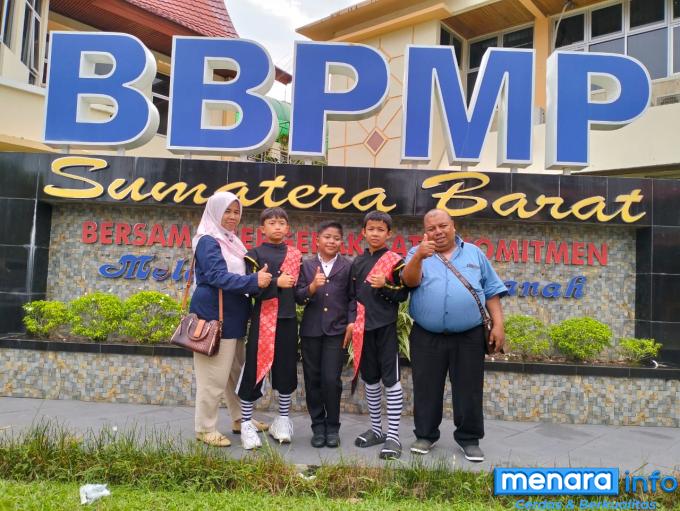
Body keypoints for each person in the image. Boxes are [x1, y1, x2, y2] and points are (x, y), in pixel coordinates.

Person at [401, 208, 507, 462]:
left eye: (442, 226)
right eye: (431, 228)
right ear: (425, 232)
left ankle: (469, 439)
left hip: (468, 335)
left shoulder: (474, 253)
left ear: (453, 226)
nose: (437, 232)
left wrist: (499, 325)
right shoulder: (417, 253)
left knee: (469, 388)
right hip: (427, 334)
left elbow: (491, 291)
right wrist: (418, 258)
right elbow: (408, 281)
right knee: (426, 388)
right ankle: (425, 435)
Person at [190, 192, 271, 447]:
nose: (233, 216)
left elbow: (242, 274)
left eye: (236, 212)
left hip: (234, 317)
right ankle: (205, 428)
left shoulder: (233, 241)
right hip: (215, 317)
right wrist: (252, 281)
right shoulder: (208, 241)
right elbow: (215, 276)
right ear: (215, 212)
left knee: (234, 374)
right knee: (212, 377)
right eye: (227, 211)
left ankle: (240, 419)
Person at [237, 207, 302, 450]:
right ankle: (245, 423)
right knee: (254, 370)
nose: (277, 226)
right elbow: (250, 288)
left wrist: (313, 289)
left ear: (288, 228)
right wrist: (277, 282)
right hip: (263, 320)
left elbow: (299, 292)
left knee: (285, 371)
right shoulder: (253, 254)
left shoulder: (295, 254)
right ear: (262, 228)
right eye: (272, 222)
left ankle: (282, 420)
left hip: (287, 320)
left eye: (281, 222)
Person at [347, 211, 409, 460]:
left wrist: (385, 284)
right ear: (363, 232)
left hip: (385, 328)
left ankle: (393, 437)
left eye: (380, 229)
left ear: (389, 234)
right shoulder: (356, 262)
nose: (375, 233)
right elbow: (352, 297)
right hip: (363, 329)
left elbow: (403, 294)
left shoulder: (396, 261)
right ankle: (376, 430)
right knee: (370, 381)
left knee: (391, 381)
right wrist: (351, 321)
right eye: (370, 229)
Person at [295, 221, 354, 449]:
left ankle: (333, 427)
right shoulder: (306, 266)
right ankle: (317, 427)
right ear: (317, 240)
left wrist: (351, 322)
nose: (332, 241)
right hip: (311, 331)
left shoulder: (348, 267)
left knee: (332, 380)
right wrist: (311, 288)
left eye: (336, 238)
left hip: (336, 332)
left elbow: (352, 298)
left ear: (341, 242)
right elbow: (297, 297)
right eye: (327, 237)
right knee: (313, 380)